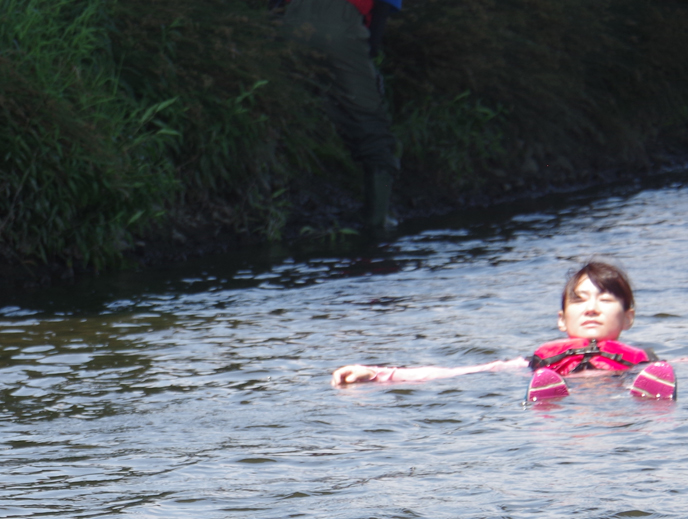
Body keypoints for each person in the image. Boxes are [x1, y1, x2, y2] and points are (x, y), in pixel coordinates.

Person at [330, 260, 677, 397]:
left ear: (628, 317)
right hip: (558, 387)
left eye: (605, 300)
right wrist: (375, 373)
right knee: (542, 387)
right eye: (580, 300)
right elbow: (457, 372)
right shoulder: (539, 362)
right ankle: (548, 401)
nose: (591, 308)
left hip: (624, 385)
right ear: (562, 319)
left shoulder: (642, 362)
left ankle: (650, 398)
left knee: (655, 377)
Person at [278, 0, 404, 232]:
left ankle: (275, 209)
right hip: (340, 25)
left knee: (288, 109)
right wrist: (371, 49)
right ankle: (376, 221)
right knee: (372, 125)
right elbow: (384, 6)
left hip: (291, 20)